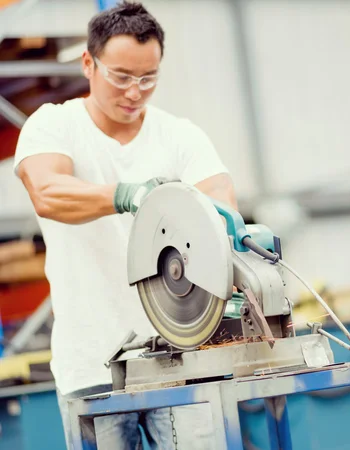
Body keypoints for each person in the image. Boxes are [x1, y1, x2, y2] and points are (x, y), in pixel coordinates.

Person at [13, 2, 235, 449]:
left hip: (181, 358)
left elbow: (222, 213)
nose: (134, 92)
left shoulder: (180, 136)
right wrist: (126, 195)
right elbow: (49, 193)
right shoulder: (54, 125)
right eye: (121, 76)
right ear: (88, 63)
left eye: (147, 78)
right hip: (92, 363)